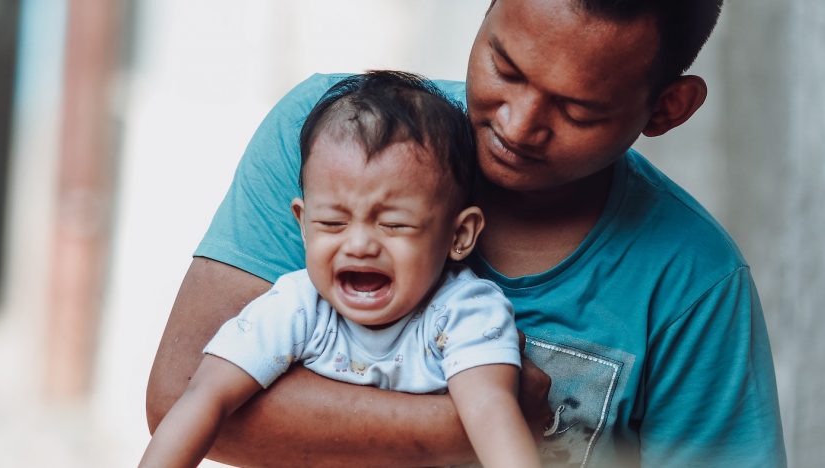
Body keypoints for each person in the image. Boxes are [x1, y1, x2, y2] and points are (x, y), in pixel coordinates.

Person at [147, 0, 788, 466]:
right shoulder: (334, 143)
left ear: (667, 109)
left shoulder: (693, 284)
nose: (518, 125)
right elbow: (182, 395)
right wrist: (473, 422)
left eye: (578, 111)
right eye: (505, 68)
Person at [139, 71, 539, 468]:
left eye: (393, 224)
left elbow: (491, 412)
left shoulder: (465, 311)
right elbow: (204, 397)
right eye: (333, 223)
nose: (360, 244)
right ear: (302, 222)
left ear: (459, 234)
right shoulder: (296, 307)